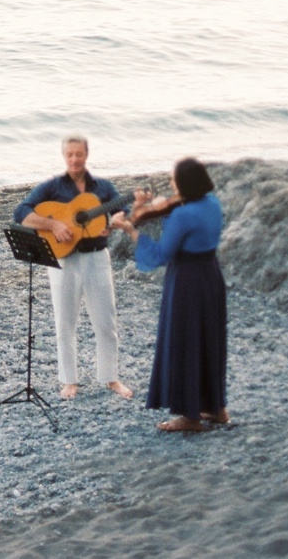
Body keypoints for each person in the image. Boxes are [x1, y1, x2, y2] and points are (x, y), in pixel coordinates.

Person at [111, 156, 229, 432]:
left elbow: (161, 254)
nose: (171, 183)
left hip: (187, 280)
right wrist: (146, 208)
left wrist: (129, 228)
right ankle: (217, 408)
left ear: (185, 183)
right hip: (211, 274)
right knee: (209, 341)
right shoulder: (211, 203)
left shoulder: (183, 214)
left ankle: (190, 417)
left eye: (174, 179)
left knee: (185, 342)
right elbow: (187, 224)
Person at [13, 135, 134, 400]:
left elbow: (122, 207)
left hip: (97, 257)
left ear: (86, 154)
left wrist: (117, 217)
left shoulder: (103, 187)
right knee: (65, 321)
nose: (74, 159)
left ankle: (111, 377)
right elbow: (21, 211)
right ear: (63, 156)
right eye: (69, 155)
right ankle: (69, 380)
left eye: (79, 154)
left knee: (106, 320)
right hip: (64, 259)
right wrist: (53, 224)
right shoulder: (52, 187)